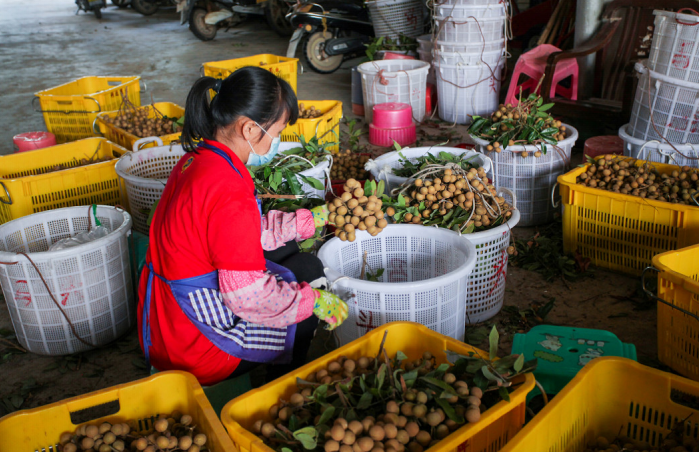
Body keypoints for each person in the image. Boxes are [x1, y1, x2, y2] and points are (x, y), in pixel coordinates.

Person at [137, 66, 348, 386]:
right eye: (276, 133)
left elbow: (231, 233)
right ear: (249, 128)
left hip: (162, 315)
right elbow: (248, 298)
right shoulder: (228, 189)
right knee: (304, 309)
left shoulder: (198, 159)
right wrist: (312, 302)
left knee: (300, 259)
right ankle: (280, 392)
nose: (275, 142)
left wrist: (307, 222)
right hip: (193, 344)